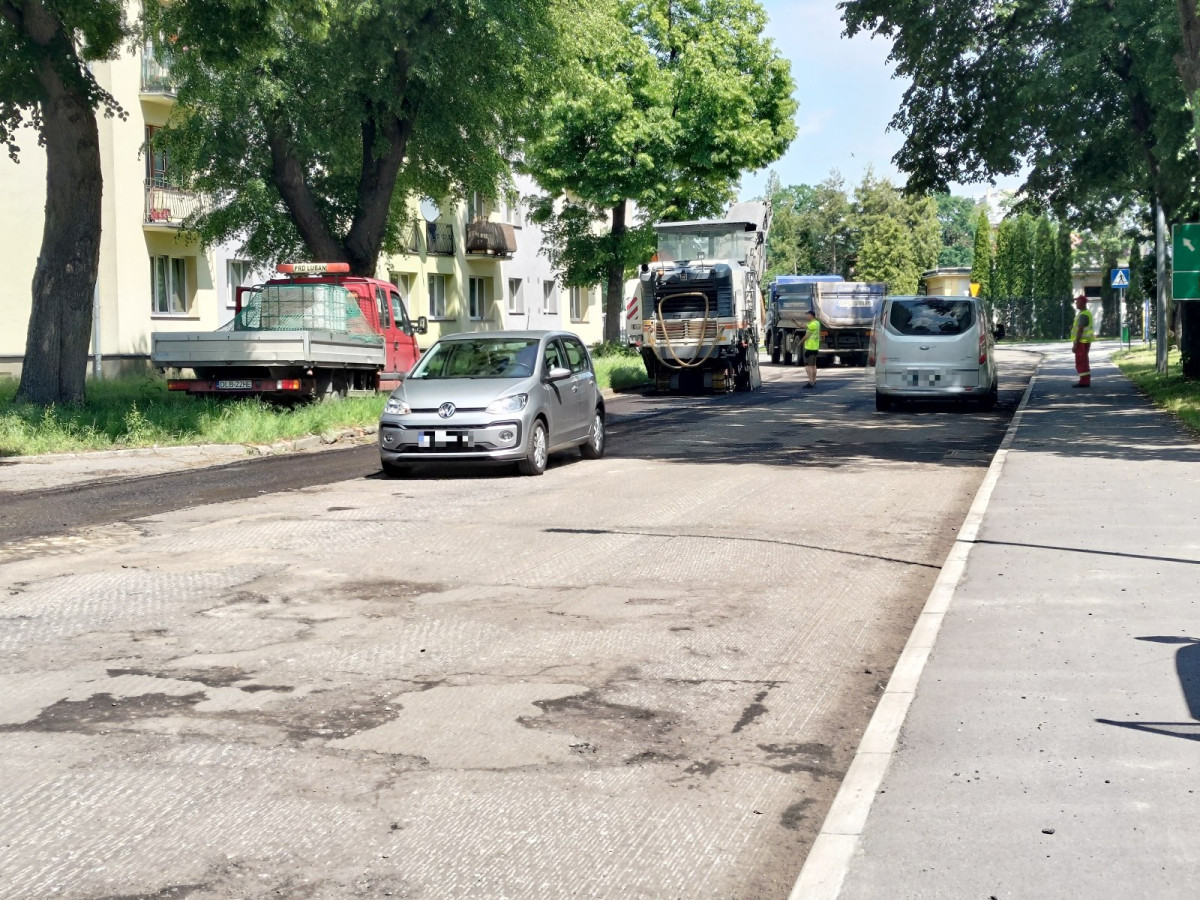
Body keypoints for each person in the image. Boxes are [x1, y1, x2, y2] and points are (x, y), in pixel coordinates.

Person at [1071, 294, 1094, 388]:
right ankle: (1085, 380)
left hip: (1081, 342)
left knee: (1081, 362)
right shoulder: (1085, 313)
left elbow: (1080, 330)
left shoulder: (1083, 315)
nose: (1075, 303)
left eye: (1077, 301)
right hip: (1084, 341)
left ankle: (1084, 382)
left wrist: (1076, 343)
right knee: (1083, 361)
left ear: (1081, 303)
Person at [802, 309, 820, 388]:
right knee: (813, 365)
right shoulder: (817, 323)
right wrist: (795, 322)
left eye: (807, 315)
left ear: (811, 315)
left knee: (808, 365)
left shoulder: (812, 325)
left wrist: (800, 343)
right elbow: (802, 326)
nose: (806, 316)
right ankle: (814, 380)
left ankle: (811, 381)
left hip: (810, 347)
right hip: (815, 347)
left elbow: (807, 335)